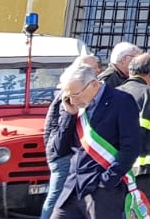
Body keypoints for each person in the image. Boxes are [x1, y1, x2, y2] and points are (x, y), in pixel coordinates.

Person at [46, 60, 143, 219]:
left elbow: (131, 147)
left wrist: (107, 180)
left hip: (103, 189)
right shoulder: (72, 104)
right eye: (68, 95)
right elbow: (59, 149)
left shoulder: (121, 101)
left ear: (93, 85)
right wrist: (69, 115)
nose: (72, 100)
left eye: (75, 94)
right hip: (73, 187)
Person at [41, 56, 101, 219]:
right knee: (57, 199)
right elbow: (63, 127)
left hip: (62, 150)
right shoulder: (70, 95)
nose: (98, 70)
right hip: (64, 152)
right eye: (93, 68)